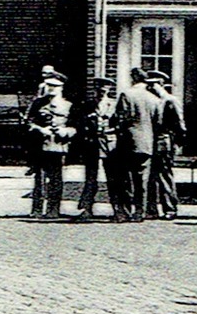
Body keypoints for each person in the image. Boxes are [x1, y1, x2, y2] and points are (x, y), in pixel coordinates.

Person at [109, 67, 159, 222]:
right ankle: (140, 211)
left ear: (134, 78)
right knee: (142, 180)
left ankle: (124, 211)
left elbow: (120, 119)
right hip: (147, 144)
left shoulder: (127, 95)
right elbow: (158, 123)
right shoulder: (154, 99)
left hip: (128, 143)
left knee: (124, 179)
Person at [26, 72, 76, 217]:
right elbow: (29, 122)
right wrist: (40, 129)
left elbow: (75, 126)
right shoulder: (38, 103)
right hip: (40, 144)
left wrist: (65, 131)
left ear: (62, 87)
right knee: (39, 179)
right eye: (49, 85)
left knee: (56, 179)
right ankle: (37, 209)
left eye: (55, 86)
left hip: (58, 145)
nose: (52, 88)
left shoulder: (68, 105)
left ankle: (53, 209)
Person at [75, 76, 119, 219]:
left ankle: (118, 209)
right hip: (92, 144)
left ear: (109, 90)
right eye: (98, 90)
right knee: (90, 178)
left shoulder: (114, 105)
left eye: (104, 90)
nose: (101, 93)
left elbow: (120, 124)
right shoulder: (87, 105)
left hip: (109, 144)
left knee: (113, 178)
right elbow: (80, 125)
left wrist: (110, 131)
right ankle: (87, 209)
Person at [144, 71, 183, 220]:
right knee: (150, 176)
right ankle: (151, 208)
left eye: (152, 85)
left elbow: (180, 125)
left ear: (161, 84)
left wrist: (176, 145)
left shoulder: (170, 101)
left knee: (164, 175)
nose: (150, 88)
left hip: (164, 141)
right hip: (149, 141)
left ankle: (170, 208)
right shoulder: (150, 101)